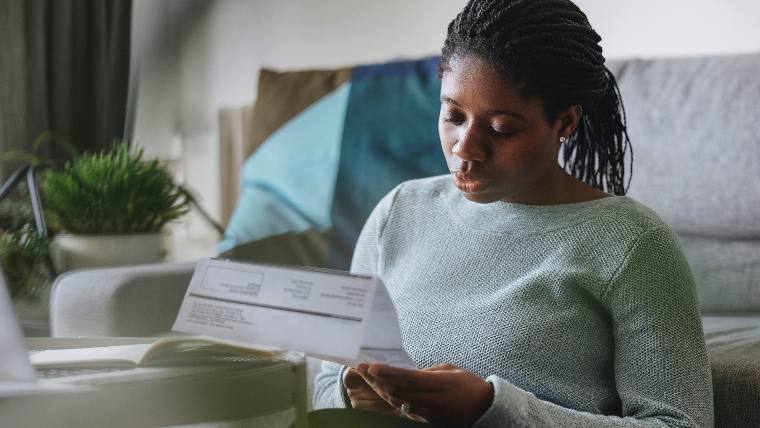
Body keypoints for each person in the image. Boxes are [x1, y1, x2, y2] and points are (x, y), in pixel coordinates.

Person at [313, 0, 714, 426]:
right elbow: (322, 383)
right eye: (453, 116)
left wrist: (493, 410)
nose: (465, 148)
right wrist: (350, 393)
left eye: (501, 128)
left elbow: (681, 423)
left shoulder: (633, 244)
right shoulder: (398, 212)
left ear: (565, 123)